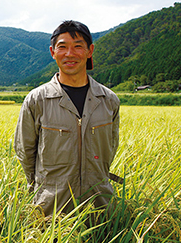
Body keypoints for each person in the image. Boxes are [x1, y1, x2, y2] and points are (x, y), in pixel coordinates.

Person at [14, 20, 121, 216]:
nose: (70, 54)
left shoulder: (109, 100)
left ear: (90, 51)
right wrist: (40, 186)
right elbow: (25, 152)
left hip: (99, 206)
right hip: (51, 209)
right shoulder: (37, 100)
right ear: (52, 52)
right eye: (62, 47)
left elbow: (110, 149)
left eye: (78, 46)